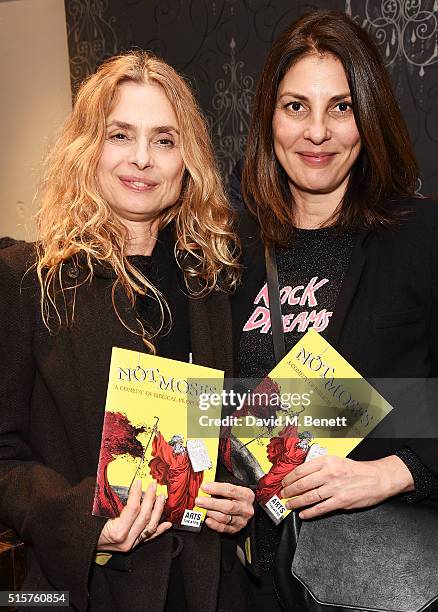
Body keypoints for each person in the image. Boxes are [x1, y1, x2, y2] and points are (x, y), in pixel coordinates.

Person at [0, 52, 255, 612]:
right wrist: (87, 527)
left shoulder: (213, 281)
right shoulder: (27, 281)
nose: (142, 159)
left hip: (208, 590)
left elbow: (226, 436)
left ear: (188, 160)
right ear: (88, 147)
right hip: (91, 591)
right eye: (121, 135)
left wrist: (242, 499)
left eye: (164, 140)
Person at [228, 10, 438, 610]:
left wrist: (393, 473)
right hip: (251, 582)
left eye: (340, 107)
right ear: (269, 118)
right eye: (296, 106)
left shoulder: (421, 237)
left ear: (366, 117)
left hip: (378, 578)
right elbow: (210, 399)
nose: (316, 132)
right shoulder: (229, 251)